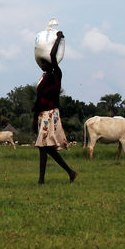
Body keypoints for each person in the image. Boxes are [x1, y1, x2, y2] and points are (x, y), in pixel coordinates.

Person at [32, 31, 77, 184]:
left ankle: (41, 180)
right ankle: (71, 172)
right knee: (46, 148)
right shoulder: (43, 78)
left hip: (50, 114)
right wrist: (34, 119)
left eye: (45, 63)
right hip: (42, 115)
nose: (42, 65)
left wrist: (58, 38)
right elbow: (38, 100)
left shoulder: (56, 74)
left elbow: (52, 56)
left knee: (44, 148)